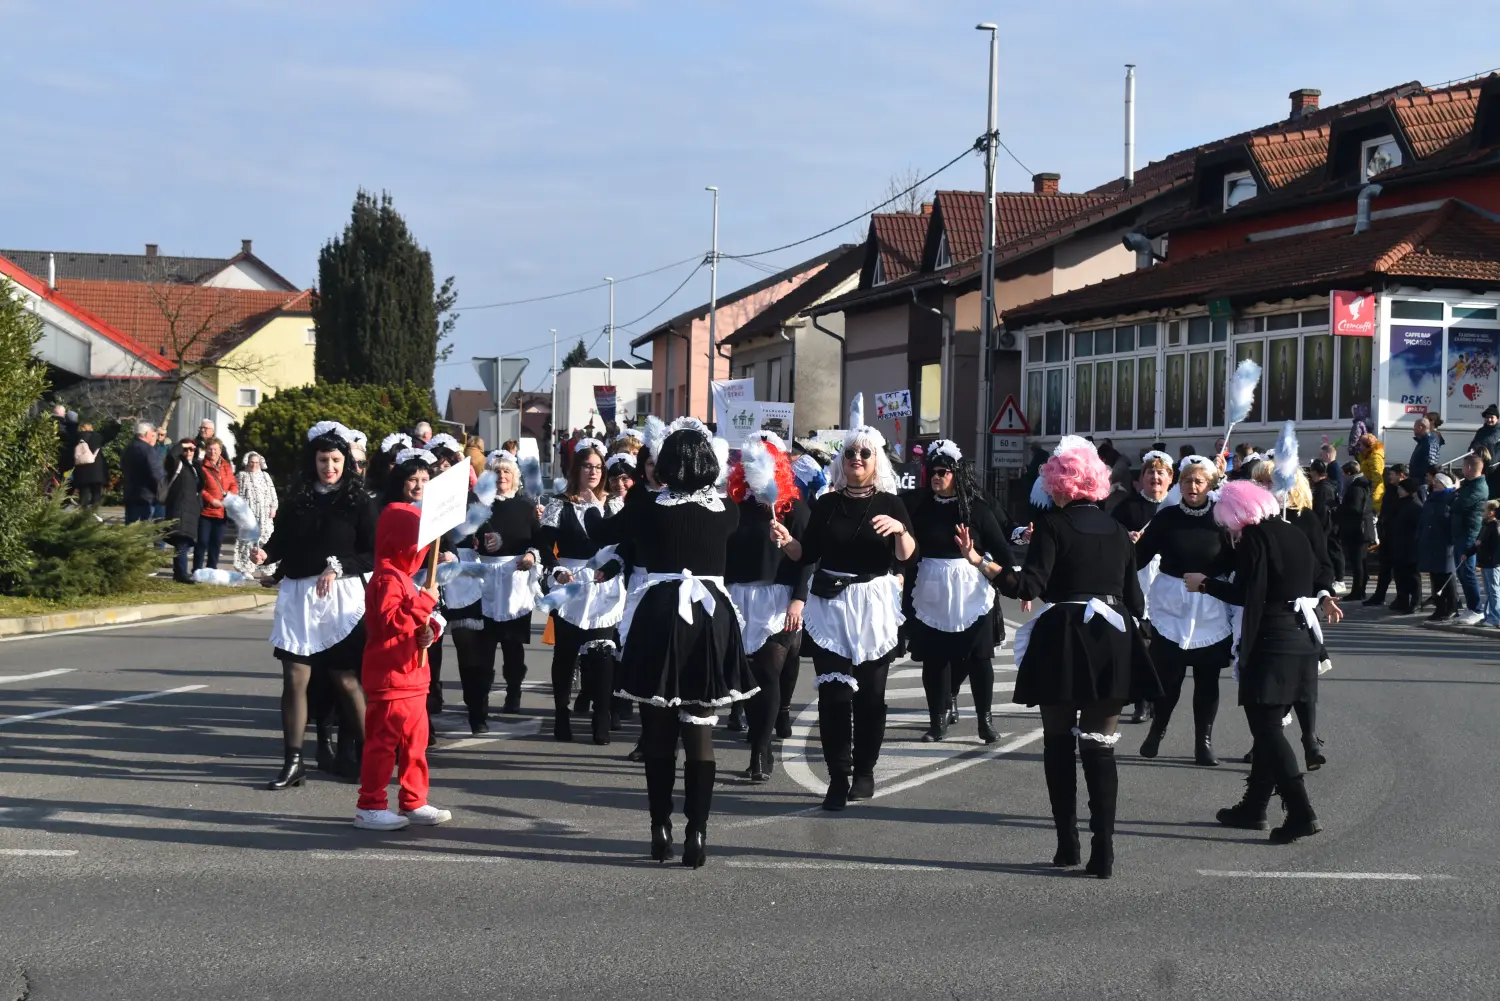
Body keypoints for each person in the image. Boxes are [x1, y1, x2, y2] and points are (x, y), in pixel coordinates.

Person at [974, 436, 1157, 878]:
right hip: (1112, 634)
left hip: (1065, 635)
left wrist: (982, 563)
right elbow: (1134, 599)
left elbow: (1030, 587)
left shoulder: (1052, 527)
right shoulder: (1117, 531)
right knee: (1100, 747)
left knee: (1058, 741)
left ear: (1059, 483)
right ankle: (1104, 851)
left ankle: (1066, 844)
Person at [598, 419, 756, 868]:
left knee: (659, 732)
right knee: (700, 731)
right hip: (710, 618)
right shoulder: (727, 510)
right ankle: (698, 833)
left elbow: (605, 536)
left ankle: (659, 827)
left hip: (661, 614)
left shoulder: (648, 508)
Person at [1187, 479, 1342, 845]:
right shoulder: (1292, 533)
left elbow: (1247, 593)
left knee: (1267, 728)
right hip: (1301, 634)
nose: (1226, 528)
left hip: (1273, 639)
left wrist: (1205, 584)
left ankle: (1301, 812)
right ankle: (1255, 806)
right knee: (1268, 725)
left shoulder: (1256, 538)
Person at [772, 425, 915, 812]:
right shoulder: (827, 504)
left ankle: (864, 770)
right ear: (842, 459)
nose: (857, 458)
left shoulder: (891, 503)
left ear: (876, 461)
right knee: (834, 696)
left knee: (870, 697)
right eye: (851, 452)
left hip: (874, 604)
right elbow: (807, 553)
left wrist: (900, 529)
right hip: (832, 604)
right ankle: (838, 776)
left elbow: (906, 554)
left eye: (865, 454)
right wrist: (787, 542)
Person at [252, 421, 376, 789]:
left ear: (345, 461)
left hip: (342, 598)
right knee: (294, 679)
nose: (330, 467)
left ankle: (372, 756)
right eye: (323, 460)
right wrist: (265, 555)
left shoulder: (359, 501)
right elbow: (282, 542)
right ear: (314, 461)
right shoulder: (299, 499)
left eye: (336, 459)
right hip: (298, 595)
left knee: (346, 679)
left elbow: (373, 554)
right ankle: (294, 762)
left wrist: (339, 567)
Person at [354, 498, 452, 831]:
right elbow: (389, 621)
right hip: (390, 678)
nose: (420, 552)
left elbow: (418, 624)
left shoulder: (403, 579)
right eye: (417, 544)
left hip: (412, 677)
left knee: (415, 745)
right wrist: (425, 601)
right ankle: (370, 804)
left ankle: (414, 800)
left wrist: (431, 631)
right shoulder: (386, 579)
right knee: (383, 745)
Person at [904, 441, 1011, 744]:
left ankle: (984, 721)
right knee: (936, 660)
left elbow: (1001, 549)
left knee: (978, 658)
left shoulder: (975, 507)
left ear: (956, 474)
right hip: (931, 588)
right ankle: (938, 720)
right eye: (932, 472)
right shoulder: (920, 506)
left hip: (970, 590)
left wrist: (1019, 584)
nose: (936, 477)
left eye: (943, 472)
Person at [1132, 455, 1234, 766]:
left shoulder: (1222, 518)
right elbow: (1139, 557)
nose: (1193, 486)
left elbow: (1235, 559)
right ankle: (1157, 730)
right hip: (1171, 606)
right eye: (1188, 480)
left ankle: (1203, 742)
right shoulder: (1166, 518)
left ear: (1210, 485)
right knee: (1170, 677)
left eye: (1199, 481)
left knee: (1207, 679)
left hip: (1211, 605)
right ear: (1180, 484)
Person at [724, 433, 811, 781]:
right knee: (744, 676)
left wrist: (798, 600)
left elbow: (807, 559)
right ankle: (754, 727)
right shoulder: (733, 507)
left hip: (777, 599)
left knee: (767, 675)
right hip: (736, 597)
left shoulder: (794, 509)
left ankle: (761, 750)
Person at [445, 449, 543, 728]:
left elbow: (539, 539)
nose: (502, 476)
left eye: (507, 471)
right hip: (485, 580)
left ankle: (514, 690)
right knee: (483, 647)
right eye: (497, 471)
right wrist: (479, 541)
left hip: (515, 581)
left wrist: (532, 555)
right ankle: (481, 707)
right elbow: (465, 536)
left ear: (515, 477)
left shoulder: (525, 506)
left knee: (513, 646)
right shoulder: (477, 505)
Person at [539, 436, 626, 743]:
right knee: (565, 654)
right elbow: (544, 546)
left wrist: (613, 567)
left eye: (598, 467)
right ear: (576, 469)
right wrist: (557, 568)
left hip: (605, 585)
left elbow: (627, 546)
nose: (593, 472)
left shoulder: (615, 505)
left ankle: (601, 717)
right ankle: (561, 714)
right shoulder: (559, 505)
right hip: (570, 585)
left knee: (603, 655)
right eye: (587, 466)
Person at [1112, 450, 1173, 724]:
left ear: (1170, 479)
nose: (1155, 477)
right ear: (1141, 479)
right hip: (1139, 579)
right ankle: (1141, 701)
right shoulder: (1128, 507)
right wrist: (1125, 538)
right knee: (1141, 643)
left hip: (1169, 580)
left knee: (1164, 646)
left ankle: (1161, 698)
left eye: (1161, 473)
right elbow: (1109, 534)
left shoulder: (1175, 508)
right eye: (1150, 472)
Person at [1450, 451, 1490, 625]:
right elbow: (1454, 499)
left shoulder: (1478, 487)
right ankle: (1471, 607)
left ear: (1469, 467)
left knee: (1467, 572)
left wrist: (1455, 495)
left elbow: (1458, 505)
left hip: (1469, 533)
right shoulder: (1469, 485)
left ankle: (1476, 609)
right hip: (1461, 532)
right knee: (1461, 571)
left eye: (1463, 467)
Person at [1365, 463, 1408, 606]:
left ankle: (1403, 597)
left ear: (1401, 475)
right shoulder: (1390, 490)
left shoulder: (1408, 490)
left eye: (1392, 474)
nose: (1390, 477)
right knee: (1384, 567)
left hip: (1399, 535)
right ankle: (1379, 595)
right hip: (1386, 533)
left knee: (1399, 569)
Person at [1418, 473, 1458, 621]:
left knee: (1447, 576)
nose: (1434, 484)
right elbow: (1423, 520)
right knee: (1435, 576)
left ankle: (1452, 607)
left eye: (1438, 482)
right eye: (1434, 481)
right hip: (1430, 541)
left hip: (1445, 543)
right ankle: (1439, 607)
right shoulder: (1430, 499)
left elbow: (1452, 521)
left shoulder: (1451, 499)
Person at [161, 440, 202, 583]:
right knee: (181, 542)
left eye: (192, 449)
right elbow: (172, 455)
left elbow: (201, 485)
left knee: (184, 543)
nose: (189, 452)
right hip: (179, 509)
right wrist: (181, 445)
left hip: (191, 510)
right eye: (186, 449)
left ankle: (180, 573)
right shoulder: (177, 464)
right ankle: (180, 574)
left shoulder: (194, 467)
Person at [195, 438, 237, 573]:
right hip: (206, 511)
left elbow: (233, 484)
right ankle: (197, 570)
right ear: (206, 450)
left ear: (220, 450)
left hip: (222, 511)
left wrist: (230, 496)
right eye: (210, 449)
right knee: (202, 541)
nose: (213, 452)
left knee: (216, 543)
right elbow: (199, 488)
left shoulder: (226, 466)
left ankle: (211, 570)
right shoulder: (201, 466)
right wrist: (211, 499)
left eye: (215, 449)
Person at [1336, 460, 1376, 599]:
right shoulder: (1361, 484)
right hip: (1363, 528)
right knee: (1360, 561)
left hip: (1358, 530)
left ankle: (1358, 590)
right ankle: (1360, 589)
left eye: (1343, 474)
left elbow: (1355, 509)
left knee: (1358, 561)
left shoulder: (1356, 488)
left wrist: (1339, 508)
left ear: (1349, 473)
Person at [233, 452, 278, 574]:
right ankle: (246, 569)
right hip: (248, 514)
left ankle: (267, 567)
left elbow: (272, 492)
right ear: (247, 462)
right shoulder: (241, 475)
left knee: (266, 538)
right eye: (251, 462)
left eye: (256, 462)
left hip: (264, 514)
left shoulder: (265, 476)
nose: (254, 465)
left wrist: (273, 507)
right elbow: (236, 494)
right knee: (247, 541)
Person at [1385, 478, 1424, 614]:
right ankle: (1402, 599)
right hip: (1398, 543)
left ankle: (1416, 601)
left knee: (1412, 575)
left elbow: (1418, 527)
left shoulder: (1415, 505)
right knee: (1399, 573)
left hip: (1410, 544)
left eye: (1402, 488)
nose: (1399, 490)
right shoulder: (1400, 502)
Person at [1461, 499, 1500, 627]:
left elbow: (1493, 545)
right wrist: (1468, 553)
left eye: (1484, 510)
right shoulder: (1486, 526)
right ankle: (1489, 615)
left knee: (1494, 590)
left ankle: (1496, 617)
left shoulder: (1495, 527)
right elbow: (1478, 542)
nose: (1481, 513)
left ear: (1491, 513)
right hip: (1485, 562)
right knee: (1489, 591)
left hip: (1492, 563)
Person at [1308, 459, 1344, 585]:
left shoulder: (1323, 488)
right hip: (1330, 524)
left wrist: (1317, 526)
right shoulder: (1327, 485)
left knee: (1330, 552)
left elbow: (1322, 509)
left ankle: (1337, 578)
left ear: (1315, 472)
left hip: (1326, 525)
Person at [121, 422, 163, 525]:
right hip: (146, 496)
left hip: (130, 493)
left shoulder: (128, 448)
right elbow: (156, 473)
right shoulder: (148, 450)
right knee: (144, 530)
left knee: (131, 530)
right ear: (147, 433)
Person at [70, 421, 105, 508]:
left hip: (81, 470)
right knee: (96, 494)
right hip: (96, 471)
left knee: (84, 494)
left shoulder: (75, 437)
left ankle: (83, 516)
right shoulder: (97, 436)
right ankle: (94, 513)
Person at [1407, 418, 1442, 493]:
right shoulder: (1423, 441)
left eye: (1415, 427)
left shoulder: (1429, 442)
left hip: (1422, 482)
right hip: (1418, 480)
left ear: (1420, 427)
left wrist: (1426, 480)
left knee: (1423, 502)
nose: (1413, 429)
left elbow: (1431, 463)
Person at [1354, 433, 1386, 513]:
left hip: (1374, 494)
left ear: (1366, 446)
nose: (1359, 447)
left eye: (1360, 445)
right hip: (1369, 491)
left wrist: (1369, 490)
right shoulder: (1368, 455)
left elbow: (1377, 476)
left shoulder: (1375, 457)